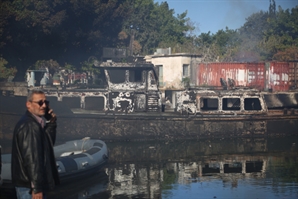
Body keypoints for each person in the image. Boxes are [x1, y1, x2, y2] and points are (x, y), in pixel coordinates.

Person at [11, 89, 60, 199]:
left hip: (28, 185)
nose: (43, 106)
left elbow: (46, 146)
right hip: (29, 188)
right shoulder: (30, 126)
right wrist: (36, 188)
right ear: (28, 104)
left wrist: (51, 123)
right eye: (39, 103)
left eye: (45, 102)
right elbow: (32, 158)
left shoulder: (34, 123)